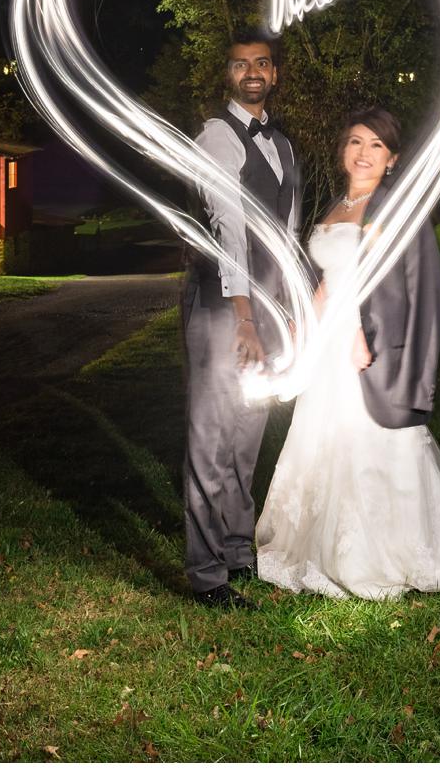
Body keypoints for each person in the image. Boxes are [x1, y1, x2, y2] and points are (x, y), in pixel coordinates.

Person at [254, 107, 440, 598]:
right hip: (327, 343)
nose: (363, 153)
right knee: (321, 437)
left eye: (376, 145)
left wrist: (360, 332)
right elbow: (331, 280)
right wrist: (304, 322)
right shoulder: (335, 205)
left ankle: (380, 550)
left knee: (370, 442)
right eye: (356, 141)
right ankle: (317, 544)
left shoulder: (397, 212)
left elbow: (410, 288)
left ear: (392, 159)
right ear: (342, 150)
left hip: (366, 346)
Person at [182, 33, 301, 610]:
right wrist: (245, 315)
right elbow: (228, 230)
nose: (251, 72)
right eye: (239, 65)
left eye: (261, 64)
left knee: (247, 436)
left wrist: (290, 312)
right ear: (227, 75)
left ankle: (237, 552)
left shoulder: (282, 144)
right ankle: (207, 575)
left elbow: (287, 240)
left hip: (270, 309)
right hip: (223, 307)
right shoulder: (216, 137)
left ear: (274, 74)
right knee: (211, 437)